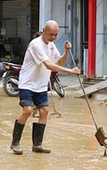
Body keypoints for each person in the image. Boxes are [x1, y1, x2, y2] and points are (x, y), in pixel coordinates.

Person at [10, 20, 80, 155]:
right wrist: (70, 71)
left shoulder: (52, 46)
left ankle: (37, 144)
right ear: (44, 30)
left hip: (41, 85)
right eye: (50, 34)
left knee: (44, 112)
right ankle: (15, 143)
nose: (53, 37)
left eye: (55, 34)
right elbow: (49, 65)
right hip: (27, 84)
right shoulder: (36, 44)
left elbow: (59, 61)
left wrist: (66, 51)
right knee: (28, 110)